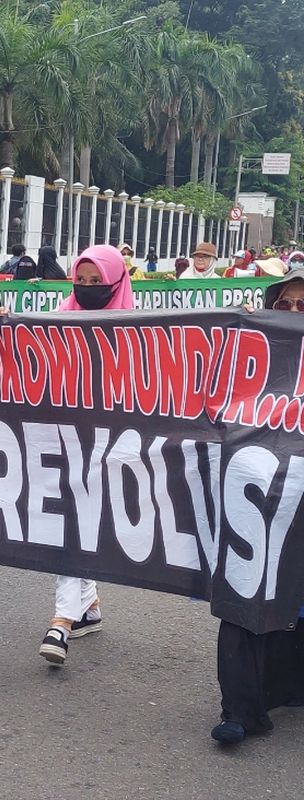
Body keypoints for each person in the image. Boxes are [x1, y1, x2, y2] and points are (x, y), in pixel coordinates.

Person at [210, 267, 304, 745]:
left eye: (301, 307)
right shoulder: (248, 356)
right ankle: (240, 709)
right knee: (247, 587)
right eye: (282, 306)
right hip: (255, 489)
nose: (290, 315)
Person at [37, 244, 134, 666]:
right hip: (65, 437)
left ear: (116, 282)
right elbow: (28, 356)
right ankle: (88, 604)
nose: (90, 288)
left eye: (99, 282)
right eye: (83, 280)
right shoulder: (60, 317)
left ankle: (62, 620)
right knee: (73, 522)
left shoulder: (143, 327)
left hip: (111, 442)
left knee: (77, 523)